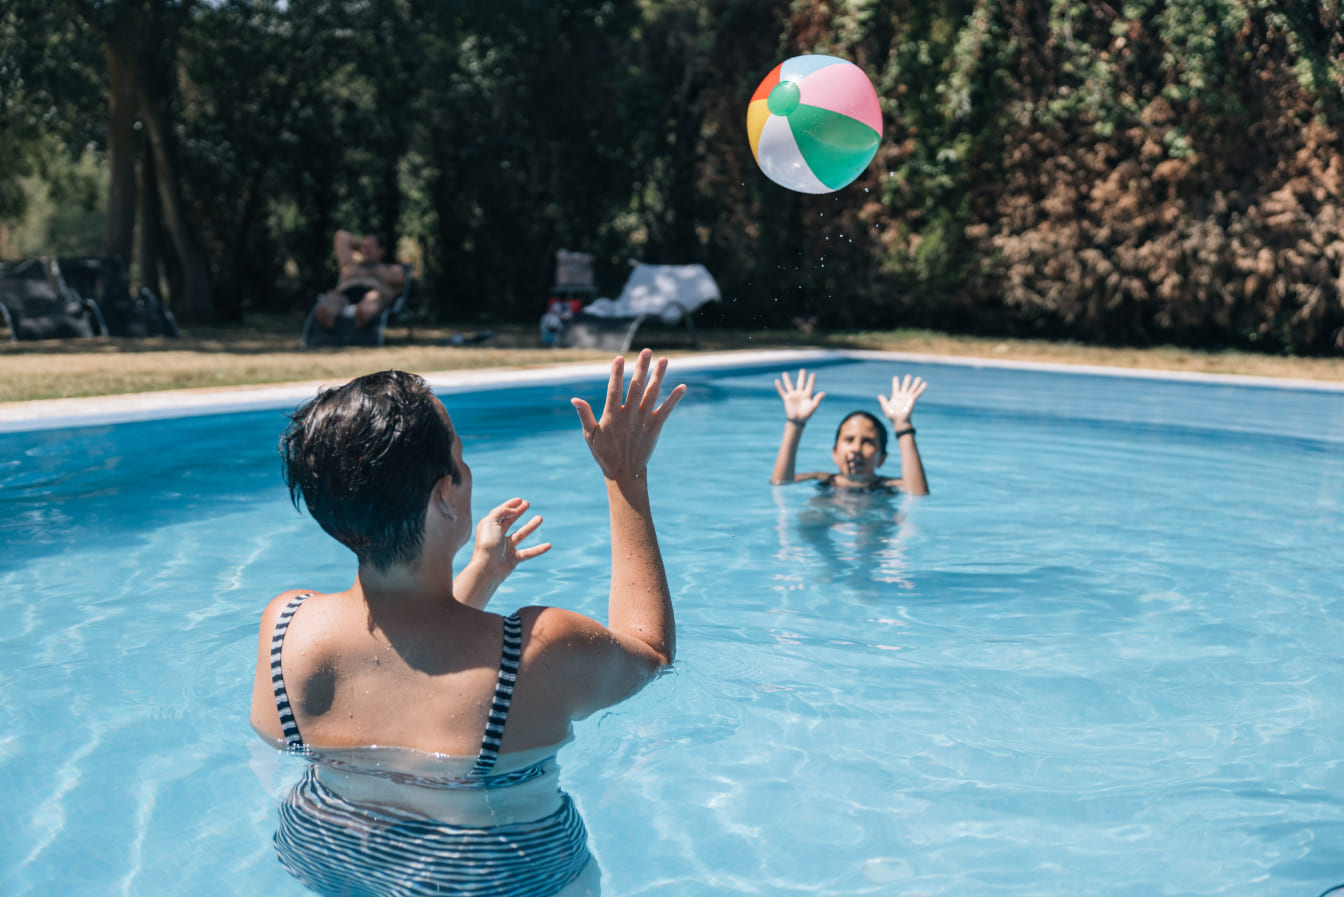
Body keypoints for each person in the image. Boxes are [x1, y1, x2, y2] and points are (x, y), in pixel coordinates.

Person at [249, 350, 685, 896]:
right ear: (445, 497)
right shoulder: (538, 651)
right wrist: (626, 475)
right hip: (493, 878)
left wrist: (481, 573)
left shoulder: (286, 625)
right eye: (459, 455)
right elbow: (651, 653)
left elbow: (403, 666)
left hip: (329, 854)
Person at [770, 367, 930, 495]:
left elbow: (918, 493)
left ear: (882, 458)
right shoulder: (820, 479)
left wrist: (902, 426)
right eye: (849, 440)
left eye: (868, 441)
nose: (856, 448)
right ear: (834, 453)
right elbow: (781, 484)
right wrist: (795, 423)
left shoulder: (889, 485)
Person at [314, 228, 406, 329]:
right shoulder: (350, 265)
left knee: (373, 298)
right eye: (363, 246)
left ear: (382, 250)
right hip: (345, 293)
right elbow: (341, 236)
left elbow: (400, 277)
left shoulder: (390, 269)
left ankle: (362, 316)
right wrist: (364, 246)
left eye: (370, 246)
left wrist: (371, 269)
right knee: (333, 297)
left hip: (373, 294)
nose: (365, 249)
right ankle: (327, 315)